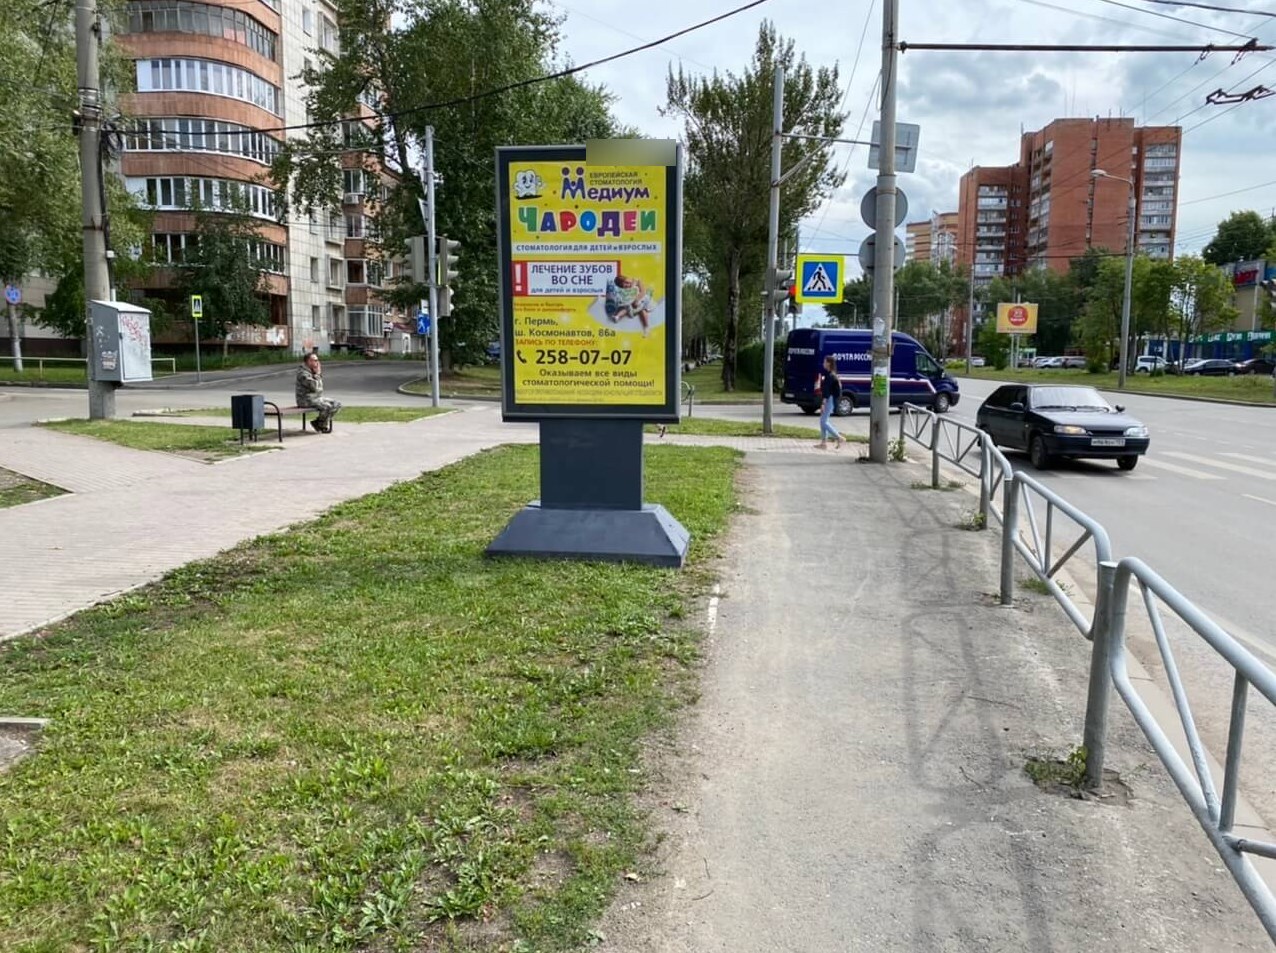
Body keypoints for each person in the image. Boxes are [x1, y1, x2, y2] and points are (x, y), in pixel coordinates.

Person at [295, 352, 341, 433]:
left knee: (337, 404)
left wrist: (316, 374)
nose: (318, 363)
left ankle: (318, 423)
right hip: (305, 399)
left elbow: (319, 388)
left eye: (317, 360)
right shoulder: (302, 373)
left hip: (316, 397)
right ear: (309, 361)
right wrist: (318, 374)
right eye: (315, 360)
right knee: (327, 407)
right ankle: (321, 425)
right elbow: (314, 387)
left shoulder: (312, 371)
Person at [816, 355, 845, 450]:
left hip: (830, 399)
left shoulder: (830, 376)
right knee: (823, 421)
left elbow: (827, 391)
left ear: (829, 363)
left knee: (823, 421)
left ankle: (839, 437)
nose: (823, 363)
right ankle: (823, 443)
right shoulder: (832, 374)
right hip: (831, 399)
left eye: (824, 362)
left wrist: (823, 404)